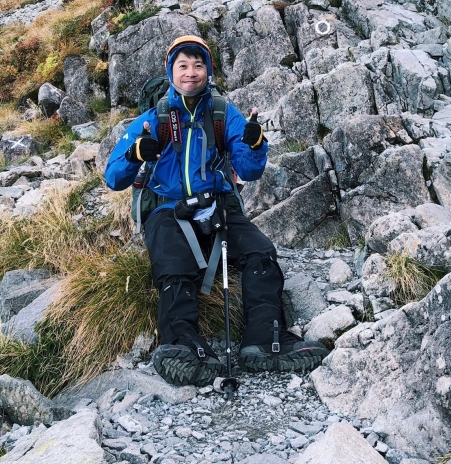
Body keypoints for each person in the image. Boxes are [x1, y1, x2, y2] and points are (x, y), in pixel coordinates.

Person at [105, 35, 328, 386]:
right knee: (174, 265)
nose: (191, 73)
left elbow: (250, 169)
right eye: (183, 66)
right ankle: (183, 345)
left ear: (207, 70)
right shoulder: (153, 119)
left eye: (198, 65)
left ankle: (264, 340)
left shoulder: (224, 113)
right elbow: (114, 178)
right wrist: (135, 153)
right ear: (171, 71)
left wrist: (255, 144)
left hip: (218, 203)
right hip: (167, 208)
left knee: (261, 254)